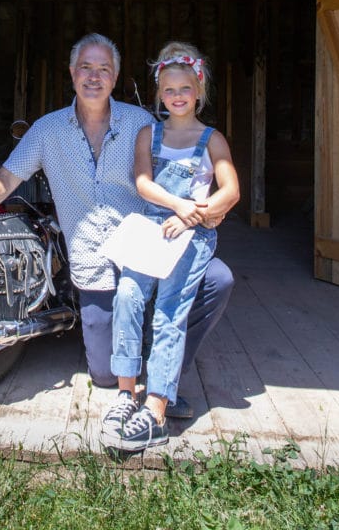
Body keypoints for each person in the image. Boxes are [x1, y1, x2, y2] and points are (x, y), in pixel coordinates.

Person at [0, 33, 235, 417]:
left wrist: (206, 208)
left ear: (115, 77)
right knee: (102, 374)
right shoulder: (47, 130)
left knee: (217, 279)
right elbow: (8, 175)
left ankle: (164, 373)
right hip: (93, 264)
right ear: (72, 73)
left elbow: (179, 168)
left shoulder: (142, 124)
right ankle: (132, 361)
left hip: (146, 250)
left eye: (104, 69)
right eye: (86, 67)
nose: (94, 77)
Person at [101, 43, 239, 452]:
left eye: (185, 89)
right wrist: (178, 205)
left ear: (199, 91)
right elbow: (143, 181)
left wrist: (193, 216)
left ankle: (157, 406)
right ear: (159, 94)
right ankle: (126, 394)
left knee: (169, 312)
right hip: (152, 227)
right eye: (168, 90)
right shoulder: (150, 134)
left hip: (190, 235)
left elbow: (230, 190)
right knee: (127, 294)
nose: (176, 96)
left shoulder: (211, 139)